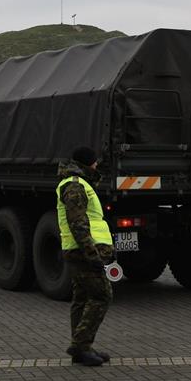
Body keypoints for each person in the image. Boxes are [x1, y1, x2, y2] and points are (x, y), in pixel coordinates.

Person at [57, 146, 114, 367]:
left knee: (81, 299)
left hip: (77, 251)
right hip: (82, 253)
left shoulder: (79, 183)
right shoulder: (75, 186)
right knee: (102, 295)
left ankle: (82, 349)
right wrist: (92, 254)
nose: (97, 165)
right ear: (87, 163)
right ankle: (80, 345)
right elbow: (78, 224)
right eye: (95, 161)